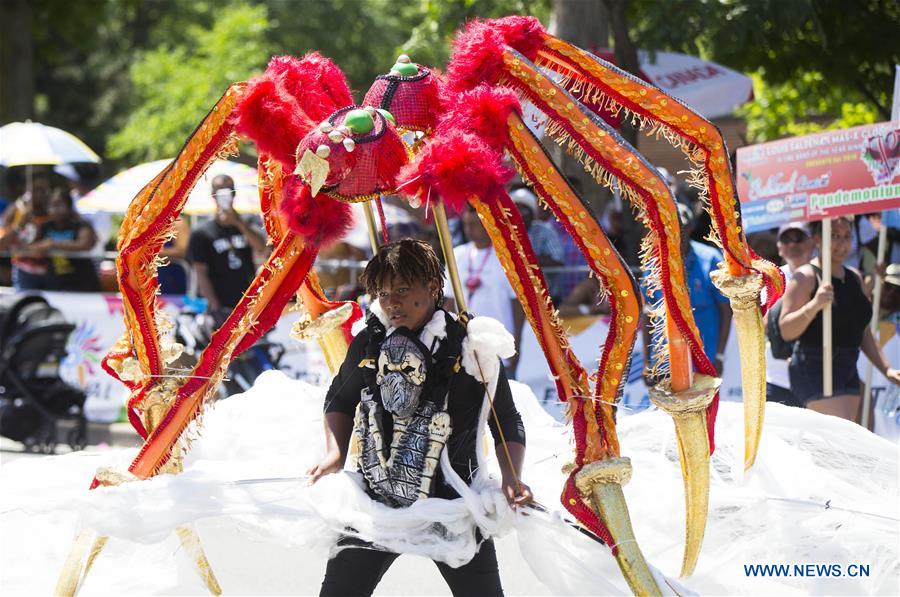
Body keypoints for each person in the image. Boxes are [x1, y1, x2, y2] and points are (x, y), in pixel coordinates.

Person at [308, 239, 532, 597]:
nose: (392, 302)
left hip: (454, 504)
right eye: (382, 294)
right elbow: (339, 399)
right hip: (377, 503)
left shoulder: (473, 347)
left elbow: (505, 419)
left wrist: (511, 476)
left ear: (432, 287)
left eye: (401, 289)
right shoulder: (368, 343)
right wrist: (334, 454)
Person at [779, 217, 900, 421]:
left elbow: (862, 330)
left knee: (854, 439)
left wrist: (887, 369)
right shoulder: (805, 277)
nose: (841, 243)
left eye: (846, 236)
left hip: (848, 367)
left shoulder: (854, 277)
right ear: (817, 238)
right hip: (815, 367)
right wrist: (814, 305)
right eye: (834, 236)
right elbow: (786, 330)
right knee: (840, 441)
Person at [642, 203, 732, 382]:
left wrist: (719, 355)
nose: (675, 232)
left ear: (690, 227)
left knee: (704, 407)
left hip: (704, 356)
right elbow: (648, 313)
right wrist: (647, 361)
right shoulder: (653, 263)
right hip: (666, 360)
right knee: (667, 409)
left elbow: (725, 310)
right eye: (670, 227)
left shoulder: (711, 258)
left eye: (680, 227)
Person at [448, 203, 525, 377]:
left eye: (474, 225)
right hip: (465, 345)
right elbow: (448, 300)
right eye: (467, 224)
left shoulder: (506, 257)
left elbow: (517, 305)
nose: (469, 230)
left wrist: (517, 341)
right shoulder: (457, 255)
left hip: (499, 345)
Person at [187, 175, 268, 321]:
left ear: (234, 193)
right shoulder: (202, 232)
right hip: (220, 303)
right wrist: (215, 306)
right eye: (219, 192)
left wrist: (238, 223)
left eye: (228, 190)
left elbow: (261, 247)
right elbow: (200, 272)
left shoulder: (246, 223)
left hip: (248, 300)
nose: (224, 195)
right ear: (213, 195)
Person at [765, 222, 814, 408]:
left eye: (799, 238)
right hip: (776, 377)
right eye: (786, 239)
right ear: (779, 248)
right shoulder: (770, 279)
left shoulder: (824, 276)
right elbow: (762, 322)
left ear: (812, 243)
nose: (793, 244)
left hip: (814, 377)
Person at [22, 188, 100, 292]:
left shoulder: (81, 225)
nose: (55, 210)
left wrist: (52, 244)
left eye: (59, 205)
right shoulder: (45, 226)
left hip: (82, 283)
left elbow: (84, 244)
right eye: (51, 205)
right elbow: (31, 247)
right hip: (55, 283)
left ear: (69, 206)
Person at [0, 173, 52, 290]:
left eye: (45, 189)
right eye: (37, 189)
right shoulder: (15, 210)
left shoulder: (53, 211)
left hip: (50, 273)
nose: (42, 194)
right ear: (27, 189)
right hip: (22, 272)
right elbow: (2, 244)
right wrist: (20, 224)